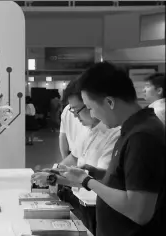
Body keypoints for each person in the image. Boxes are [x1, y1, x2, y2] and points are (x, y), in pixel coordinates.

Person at [59, 62, 165, 236]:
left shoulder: (142, 136)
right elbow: (128, 181)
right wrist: (94, 173)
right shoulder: (133, 128)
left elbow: (139, 211)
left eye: (91, 108)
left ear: (109, 102)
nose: (92, 115)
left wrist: (87, 181)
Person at [32, 77, 121, 235]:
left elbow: (100, 180)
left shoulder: (115, 134)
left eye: (78, 109)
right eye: (71, 110)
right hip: (80, 203)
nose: (74, 116)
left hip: (98, 209)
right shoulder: (89, 129)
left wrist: (54, 178)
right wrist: (54, 171)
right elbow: (74, 157)